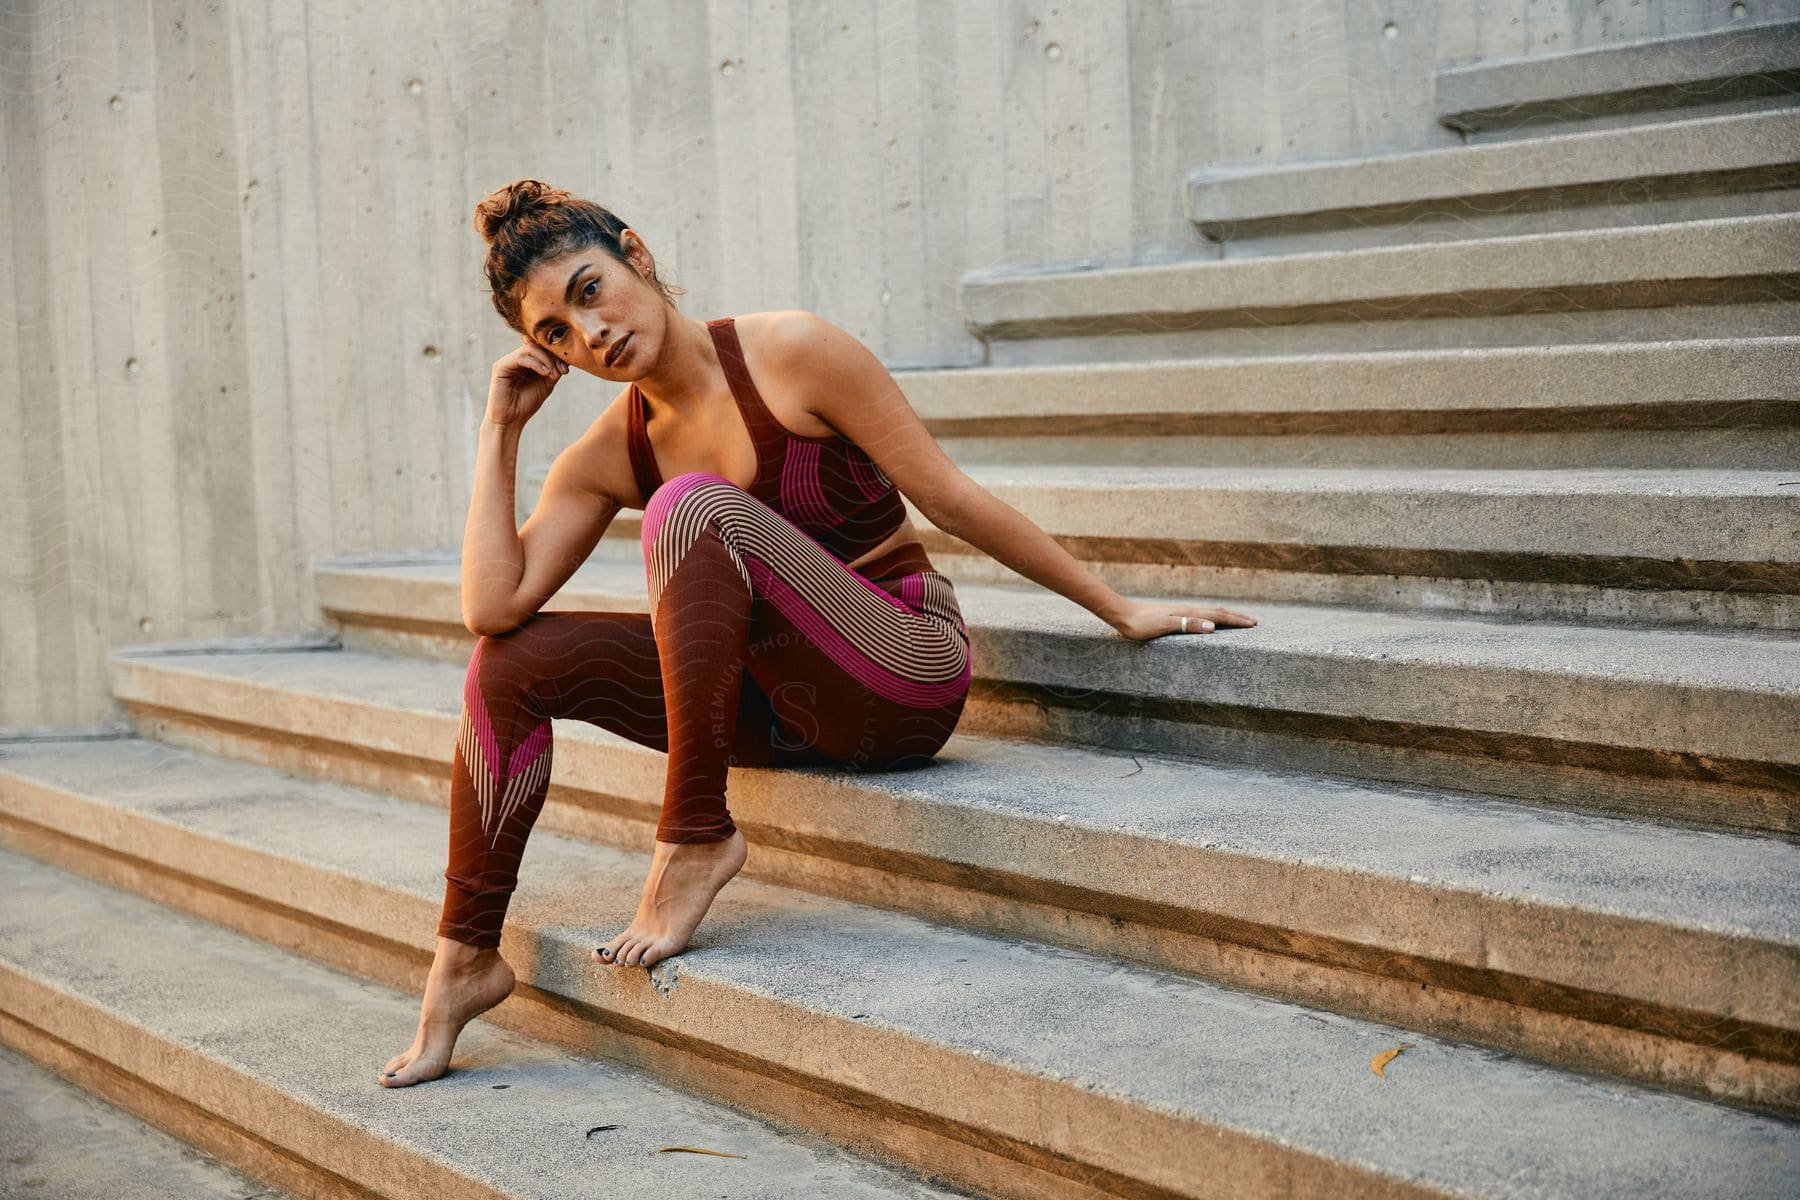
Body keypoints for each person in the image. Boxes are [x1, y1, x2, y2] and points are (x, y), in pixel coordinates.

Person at [380, 179, 1257, 1087]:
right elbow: (494, 607)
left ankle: (694, 836)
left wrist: (1118, 607)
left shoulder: (793, 352)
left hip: (903, 668)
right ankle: (466, 959)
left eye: (590, 289)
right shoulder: (609, 451)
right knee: (509, 660)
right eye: (556, 330)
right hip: (781, 713)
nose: (589, 333)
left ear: (636, 255)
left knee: (689, 507)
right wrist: (500, 431)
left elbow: (949, 497)